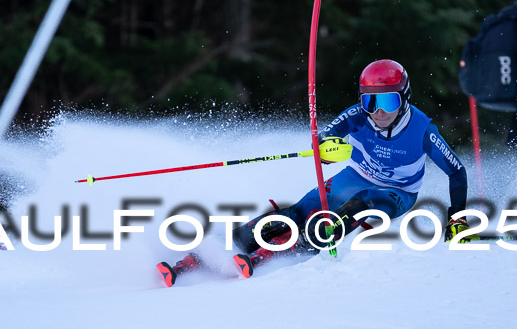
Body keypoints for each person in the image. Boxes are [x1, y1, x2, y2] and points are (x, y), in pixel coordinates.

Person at [158, 59, 474, 287]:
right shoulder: (357, 116)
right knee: (299, 211)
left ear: (404, 98)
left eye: (388, 101)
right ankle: (215, 251)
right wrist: (325, 149)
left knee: (354, 208)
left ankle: (279, 254)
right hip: (357, 174)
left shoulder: (422, 130)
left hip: (398, 192)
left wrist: (456, 221)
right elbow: (325, 138)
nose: (378, 111)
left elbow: (456, 172)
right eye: (370, 101)